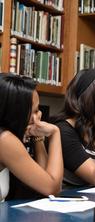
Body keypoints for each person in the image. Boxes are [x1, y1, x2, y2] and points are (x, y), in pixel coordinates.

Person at [0, 73, 63, 201]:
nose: (39, 115)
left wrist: (37, 138)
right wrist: (55, 133)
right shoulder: (4, 140)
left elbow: (44, 180)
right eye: (35, 111)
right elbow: (52, 188)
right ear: (18, 111)